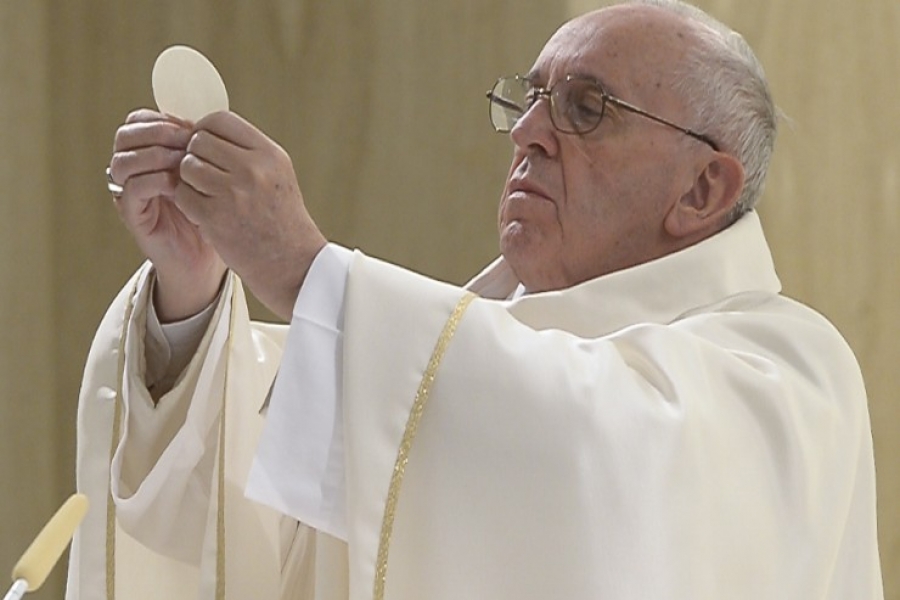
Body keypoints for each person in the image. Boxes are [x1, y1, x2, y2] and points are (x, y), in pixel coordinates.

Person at [67, 0, 885, 598]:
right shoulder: (467, 341)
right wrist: (194, 289)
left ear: (704, 186)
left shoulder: (785, 371)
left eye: (585, 109)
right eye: (527, 98)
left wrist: (299, 267)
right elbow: (256, 521)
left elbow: (586, 453)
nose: (529, 132)